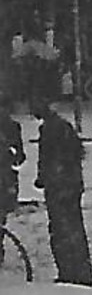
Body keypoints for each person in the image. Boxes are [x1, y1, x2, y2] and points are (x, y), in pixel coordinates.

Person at [31, 98, 92, 286]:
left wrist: (43, 178)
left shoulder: (49, 130)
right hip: (71, 184)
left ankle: (68, 271)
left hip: (58, 186)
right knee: (74, 227)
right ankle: (80, 270)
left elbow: (48, 159)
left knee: (60, 229)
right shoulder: (63, 126)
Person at [1, 98, 24, 228]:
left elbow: (20, 155)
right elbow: (20, 156)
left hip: (5, 173)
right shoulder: (12, 126)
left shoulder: (12, 127)